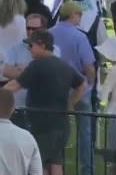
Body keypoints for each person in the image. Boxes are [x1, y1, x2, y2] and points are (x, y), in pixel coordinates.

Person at [5, 29, 87, 175]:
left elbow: (14, 86)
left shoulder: (36, 65)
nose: (29, 49)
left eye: (31, 45)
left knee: (37, 164)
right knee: (55, 162)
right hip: (62, 125)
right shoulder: (64, 65)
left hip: (42, 126)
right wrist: (70, 103)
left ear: (42, 45)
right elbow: (82, 84)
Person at [49, 1, 97, 175]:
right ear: (72, 15)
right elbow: (89, 66)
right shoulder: (80, 37)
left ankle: (55, 167)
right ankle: (87, 170)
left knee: (56, 132)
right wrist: (90, 84)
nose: (81, 17)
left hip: (56, 89)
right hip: (80, 88)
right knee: (85, 132)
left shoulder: (49, 34)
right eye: (79, 14)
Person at [2, 13, 60, 128]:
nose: (30, 32)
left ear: (43, 29)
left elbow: (50, 72)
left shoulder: (54, 49)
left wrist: (24, 70)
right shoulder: (16, 48)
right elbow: (7, 71)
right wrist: (32, 72)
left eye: (35, 29)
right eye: (28, 28)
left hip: (42, 107)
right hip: (18, 106)